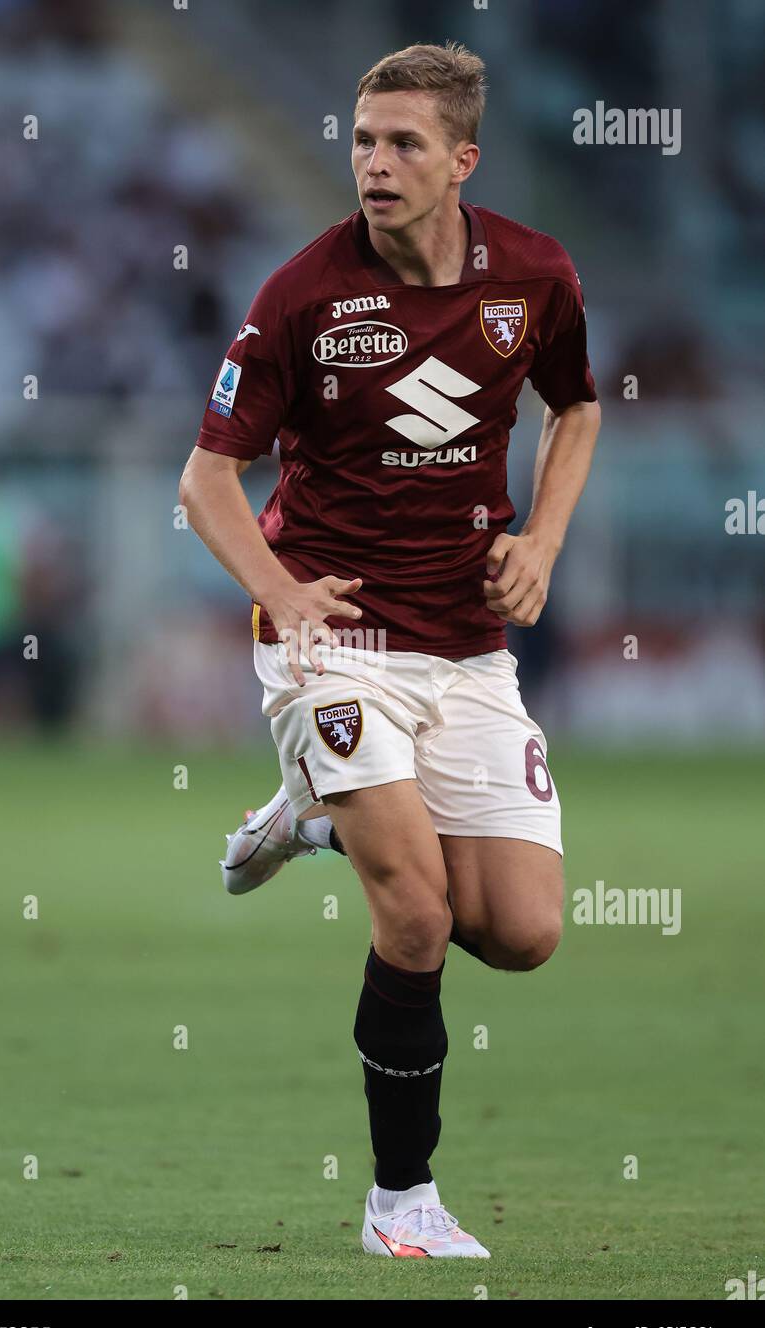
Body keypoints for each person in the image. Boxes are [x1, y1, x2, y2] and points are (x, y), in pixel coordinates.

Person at [180, 41, 601, 1258]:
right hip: (333, 637)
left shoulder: (533, 274)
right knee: (412, 915)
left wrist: (544, 537)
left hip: (465, 647)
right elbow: (208, 481)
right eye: (361, 140)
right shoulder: (301, 294)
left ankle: (309, 818)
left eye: (402, 143)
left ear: (461, 159)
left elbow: (575, 405)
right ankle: (398, 1202)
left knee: (519, 931)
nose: (373, 162)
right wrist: (280, 593)